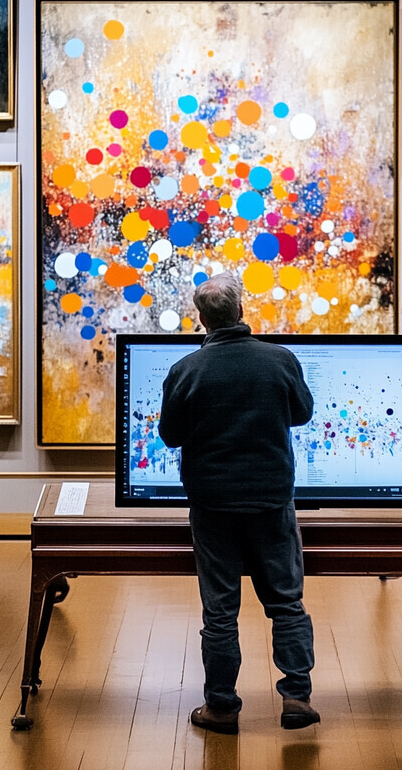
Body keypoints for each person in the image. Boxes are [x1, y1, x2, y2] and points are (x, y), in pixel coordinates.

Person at [158, 272, 319, 735]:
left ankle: (222, 707)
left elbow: (170, 436)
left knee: (220, 609)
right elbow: (303, 413)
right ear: (241, 311)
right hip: (271, 501)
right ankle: (296, 698)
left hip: (212, 505)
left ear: (202, 319)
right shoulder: (280, 361)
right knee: (286, 602)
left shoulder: (186, 370)